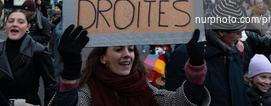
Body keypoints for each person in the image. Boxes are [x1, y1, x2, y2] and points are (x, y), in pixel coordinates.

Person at [55, 25, 210, 106]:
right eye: (118, 49)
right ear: (102, 58)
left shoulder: (144, 88)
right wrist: (70, 71)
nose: (127, 54)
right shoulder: (89, 92)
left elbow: (181, 102)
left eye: (130, 49)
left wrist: (196, 66)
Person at [166, 0, 249, 106]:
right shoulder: (185, 54)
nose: (241, 36)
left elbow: (240, 92)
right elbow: (175, 99)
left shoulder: (233, 50)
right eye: (237, 32)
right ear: (221, 32)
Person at [0, 9, 57, 105]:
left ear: (28, 27)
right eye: (10, 21)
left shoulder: (38, 50)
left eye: (20, 22)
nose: (14, 24)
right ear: (5, 26)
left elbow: (51, 86)